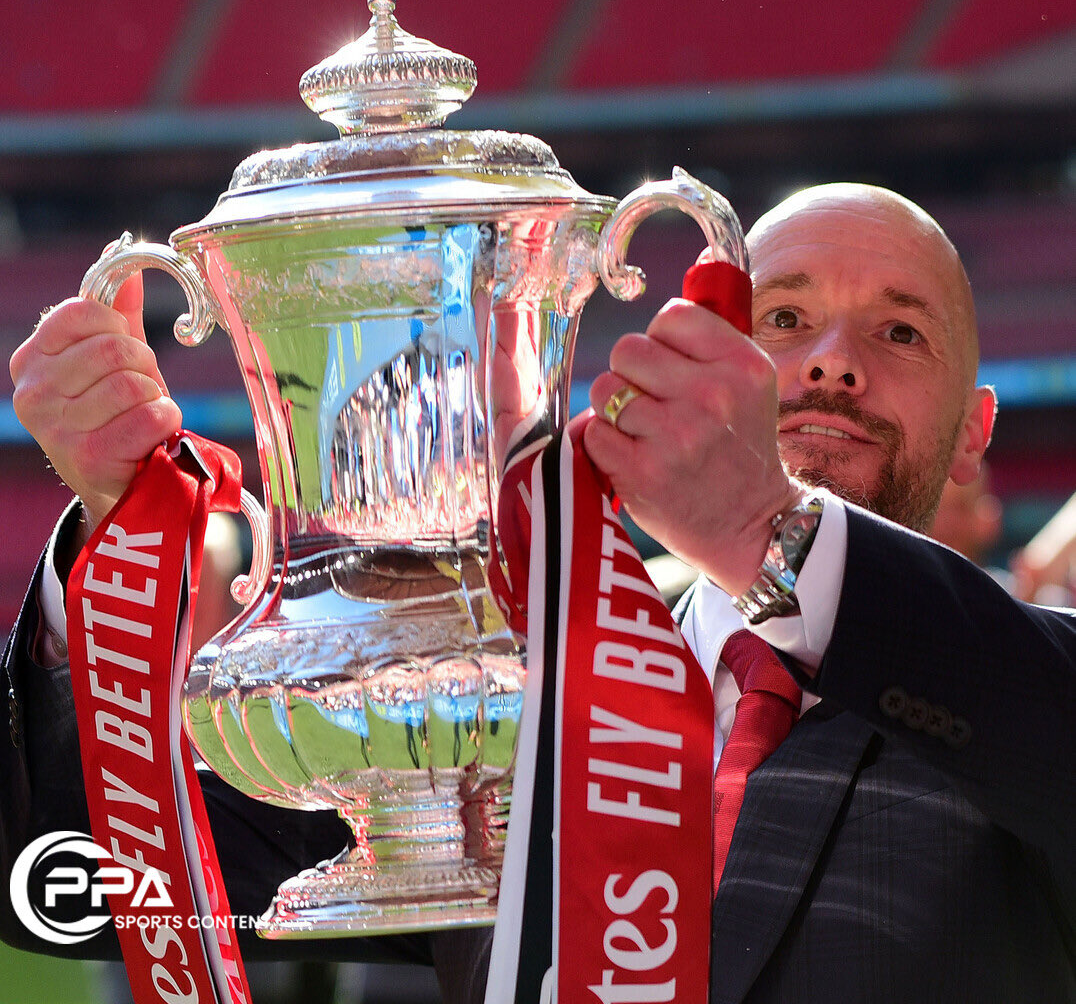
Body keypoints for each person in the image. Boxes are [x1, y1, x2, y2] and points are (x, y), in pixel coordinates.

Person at [3, 183, 1075, 1002]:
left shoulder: (1027, 689)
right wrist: (119, 530)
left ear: (977, 431)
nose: (832, 365)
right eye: (783, 319)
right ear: (710, 357)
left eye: (898, 333)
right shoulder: (506, 674)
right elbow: (64, 882)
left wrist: (769, 534)